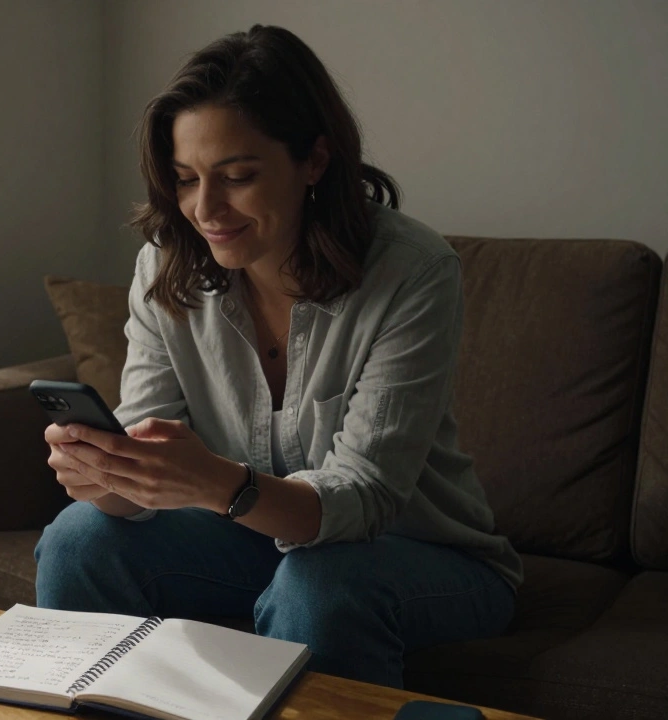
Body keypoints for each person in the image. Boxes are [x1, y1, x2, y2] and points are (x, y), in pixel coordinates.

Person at [34, 25, 520, 690]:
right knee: (77, 538)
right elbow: (141, 471)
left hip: (417, 554)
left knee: (320, 583)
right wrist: (110, 476)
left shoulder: (412, 272)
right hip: (252, 546)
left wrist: (215, 483)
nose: (205, 209)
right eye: (185, 180)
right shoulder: (165, 267)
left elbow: (366, 498)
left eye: (237, 177)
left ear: (314, 161)